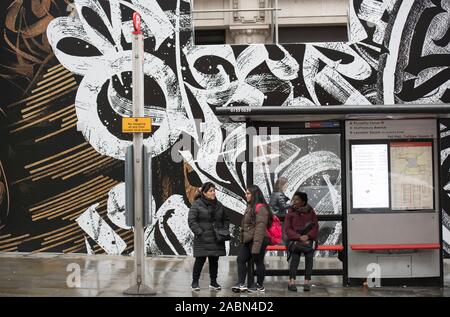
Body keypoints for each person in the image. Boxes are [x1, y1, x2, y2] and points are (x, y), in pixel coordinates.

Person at [188, 182, 230, 292]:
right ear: (204, 193)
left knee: (214, 261)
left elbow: (226, 219)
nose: (213, 192)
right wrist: (199, 232)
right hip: (203, 239)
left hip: (216, 238)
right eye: (210, 191)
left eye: (214, 190)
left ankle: (213, 282)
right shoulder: (197, 204)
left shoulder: (219, 205)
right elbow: (191, 220)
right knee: (200, 260)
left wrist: (223, 230)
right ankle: (195, 282)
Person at [231, 185, 271, 293]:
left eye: (248, 193)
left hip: (259, 240)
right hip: (250, 239)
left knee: (258, 261)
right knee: (241, 259)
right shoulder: (250, 206)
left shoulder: (260, 207)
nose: (246, 195)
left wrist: (256, 245)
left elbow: (260, 228)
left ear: (254, 194)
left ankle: (260, 286)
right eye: (246, 193)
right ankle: (241, 283)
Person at [284, 191, 318, 292]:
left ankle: (307, 282)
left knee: (309, 256)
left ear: (303, 202)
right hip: (295, 241)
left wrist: (308, 236)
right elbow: (287, 229)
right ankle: (292, 281)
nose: (294, 202)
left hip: (308, 240)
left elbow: (315, 227)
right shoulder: (290, 212)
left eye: (297, 200)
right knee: (295, 256)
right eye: (293, 200)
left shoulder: (311, 212)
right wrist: (299, 237)